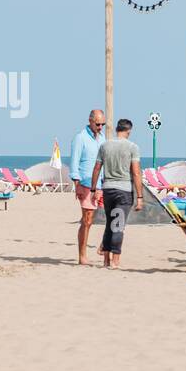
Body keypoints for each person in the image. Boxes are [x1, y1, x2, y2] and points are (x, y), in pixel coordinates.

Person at [89, 118, 143, 269]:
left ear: (117, 129)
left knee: (109, 224)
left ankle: (106, 260)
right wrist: (139, 197)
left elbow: (96, 168)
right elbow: (136, 173)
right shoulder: (132, 147)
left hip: (108, 190)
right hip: (124, 191)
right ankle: (115, 260)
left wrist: (94, 189)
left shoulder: (105, 145)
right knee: (118, 225)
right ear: (129, 131)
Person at [70, 109, 107, 265]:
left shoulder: (103, 138)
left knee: (109, 218)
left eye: (102, 124)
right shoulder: (80, 138)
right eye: (98, 124)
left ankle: (104, 248)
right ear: (90, 121)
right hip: (85, 183)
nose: (100, 127)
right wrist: (77, 184)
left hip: (101, 184)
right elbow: (74, 162)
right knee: (87, 220)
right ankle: (82, 255)